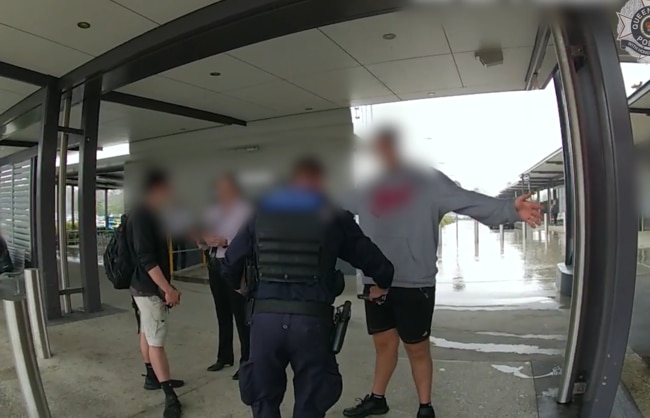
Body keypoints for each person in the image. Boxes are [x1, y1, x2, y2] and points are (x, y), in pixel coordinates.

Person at [342, 129, 544, 418]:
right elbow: (332, 212)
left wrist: (509, 210)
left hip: (415, 283)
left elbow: (469, 201)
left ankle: (425, 407)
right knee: (384, 344)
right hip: (377, 284)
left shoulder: (428, 182)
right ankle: (377, 398)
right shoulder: (368, 187)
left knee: (417, 348)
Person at [221, 156, 395, 418]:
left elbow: (229, 264)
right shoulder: (334, 216)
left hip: (265, 322)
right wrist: (382, 284)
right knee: (311, 403)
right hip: (311, 324)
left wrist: (240, 287)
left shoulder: (259, 214)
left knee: (263, 401)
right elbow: (375, 261)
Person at [127, 169, 184, 418]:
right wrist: (167, 289)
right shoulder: (143, 216)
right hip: (149, 289)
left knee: (146, 332)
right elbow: (148, 259)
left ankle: (152, 376)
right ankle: (169, 395)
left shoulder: (145, 214)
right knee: (157, 341)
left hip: (140, 286)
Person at [202, 174, 252, 379]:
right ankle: (224, 356)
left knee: (241, 316)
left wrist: (226, 240)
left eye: (225, 189)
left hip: (236, 266)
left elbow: (250, 238)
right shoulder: (212, 210)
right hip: (215, 264)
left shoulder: (246, 211)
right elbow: (203, 235)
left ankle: (246, 361)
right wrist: (205, 238)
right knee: (222, 312)